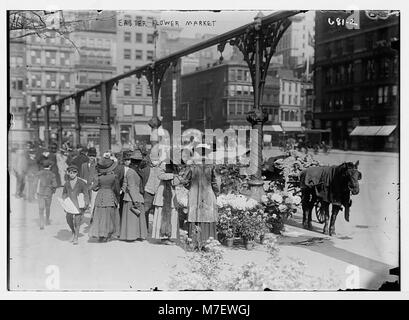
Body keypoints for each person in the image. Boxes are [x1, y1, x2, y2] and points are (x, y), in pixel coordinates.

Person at [183, 144, 219, 249]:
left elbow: (185, 180)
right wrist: (216, 192)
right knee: (208, 216)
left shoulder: (191, 166)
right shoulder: (211, 166)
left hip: (194, 195)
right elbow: (216, 182)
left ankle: (194, 243)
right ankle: (207, 243)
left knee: (194, 216)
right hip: (208, 194)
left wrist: (191, 188)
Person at [88, 156, 120, 242]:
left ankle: (101, 234)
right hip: (110, 196)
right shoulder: (114, 176)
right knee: (110, 216)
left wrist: (95, 187)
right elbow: (116, 189)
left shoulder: (98, 177)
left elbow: (94, 188)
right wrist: (117, 197)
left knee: (100, 215)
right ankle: (108, 234)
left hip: (100, 197)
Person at [119, 151, 147, 241]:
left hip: (135, 196)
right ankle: (131, 236)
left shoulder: (134, 171)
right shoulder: (131, 172)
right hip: (132, 197)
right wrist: (135, 200)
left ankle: (136, 235)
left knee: (134, 218)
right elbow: (131, 187)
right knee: (133, 218)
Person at [151, 162, 181, 245]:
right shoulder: (163, 164)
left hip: (172, 192)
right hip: (163, 193)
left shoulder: (176, 166)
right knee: (162, 214)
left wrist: (179, 178)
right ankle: (162, 236)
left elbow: (176, 182)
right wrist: (173, 175)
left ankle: (168, 235)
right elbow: (160, 175)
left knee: (172, 214)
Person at [62, 165, 90, 245]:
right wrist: (64, 201)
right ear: (68, 173)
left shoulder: (81, 183)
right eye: (70, 173)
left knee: (77, 222)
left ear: (77, 173)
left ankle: (76, 237)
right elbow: (64, 193)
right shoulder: (67, 183)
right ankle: (73, 232)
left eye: (74, 173)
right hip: (69, 205)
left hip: (78, 204)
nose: (72, 175)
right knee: (69, 219)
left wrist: (86, 202)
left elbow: (86, 193)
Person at [142, 146, 163, 232]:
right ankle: (145, 228)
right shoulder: (146, 167)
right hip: (148, 190)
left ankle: (156, 229)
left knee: (157, 212)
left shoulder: (162, 167)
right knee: (145, 210)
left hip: (159, 191)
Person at [35, 159, 57, 229]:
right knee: (48, 207)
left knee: (41, 208)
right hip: (48, 193)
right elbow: (55, 185)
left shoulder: (38, 173)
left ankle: (41, 222)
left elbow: (35, 183)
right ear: (49, 166)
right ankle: (47, 220)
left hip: (40, 193)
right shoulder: (52, 174)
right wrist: (53, 191)